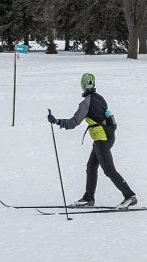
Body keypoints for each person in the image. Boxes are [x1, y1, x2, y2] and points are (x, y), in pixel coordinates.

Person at [48, 72, 137, 209]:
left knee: (109, 170)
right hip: (106, 136)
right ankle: (88, 198)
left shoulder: (86, 102)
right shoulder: (100, 98)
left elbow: (74, 122)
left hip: (102, 138)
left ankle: (129, 196)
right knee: (91, 166)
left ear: (82, 85)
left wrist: (56, 121)